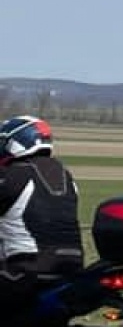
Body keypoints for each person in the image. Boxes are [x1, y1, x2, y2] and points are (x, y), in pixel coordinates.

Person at [0, 116, 84, 313]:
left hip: (27, 268)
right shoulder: (66, 175)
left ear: (16, 143)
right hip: (71, 266)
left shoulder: (13, 175)